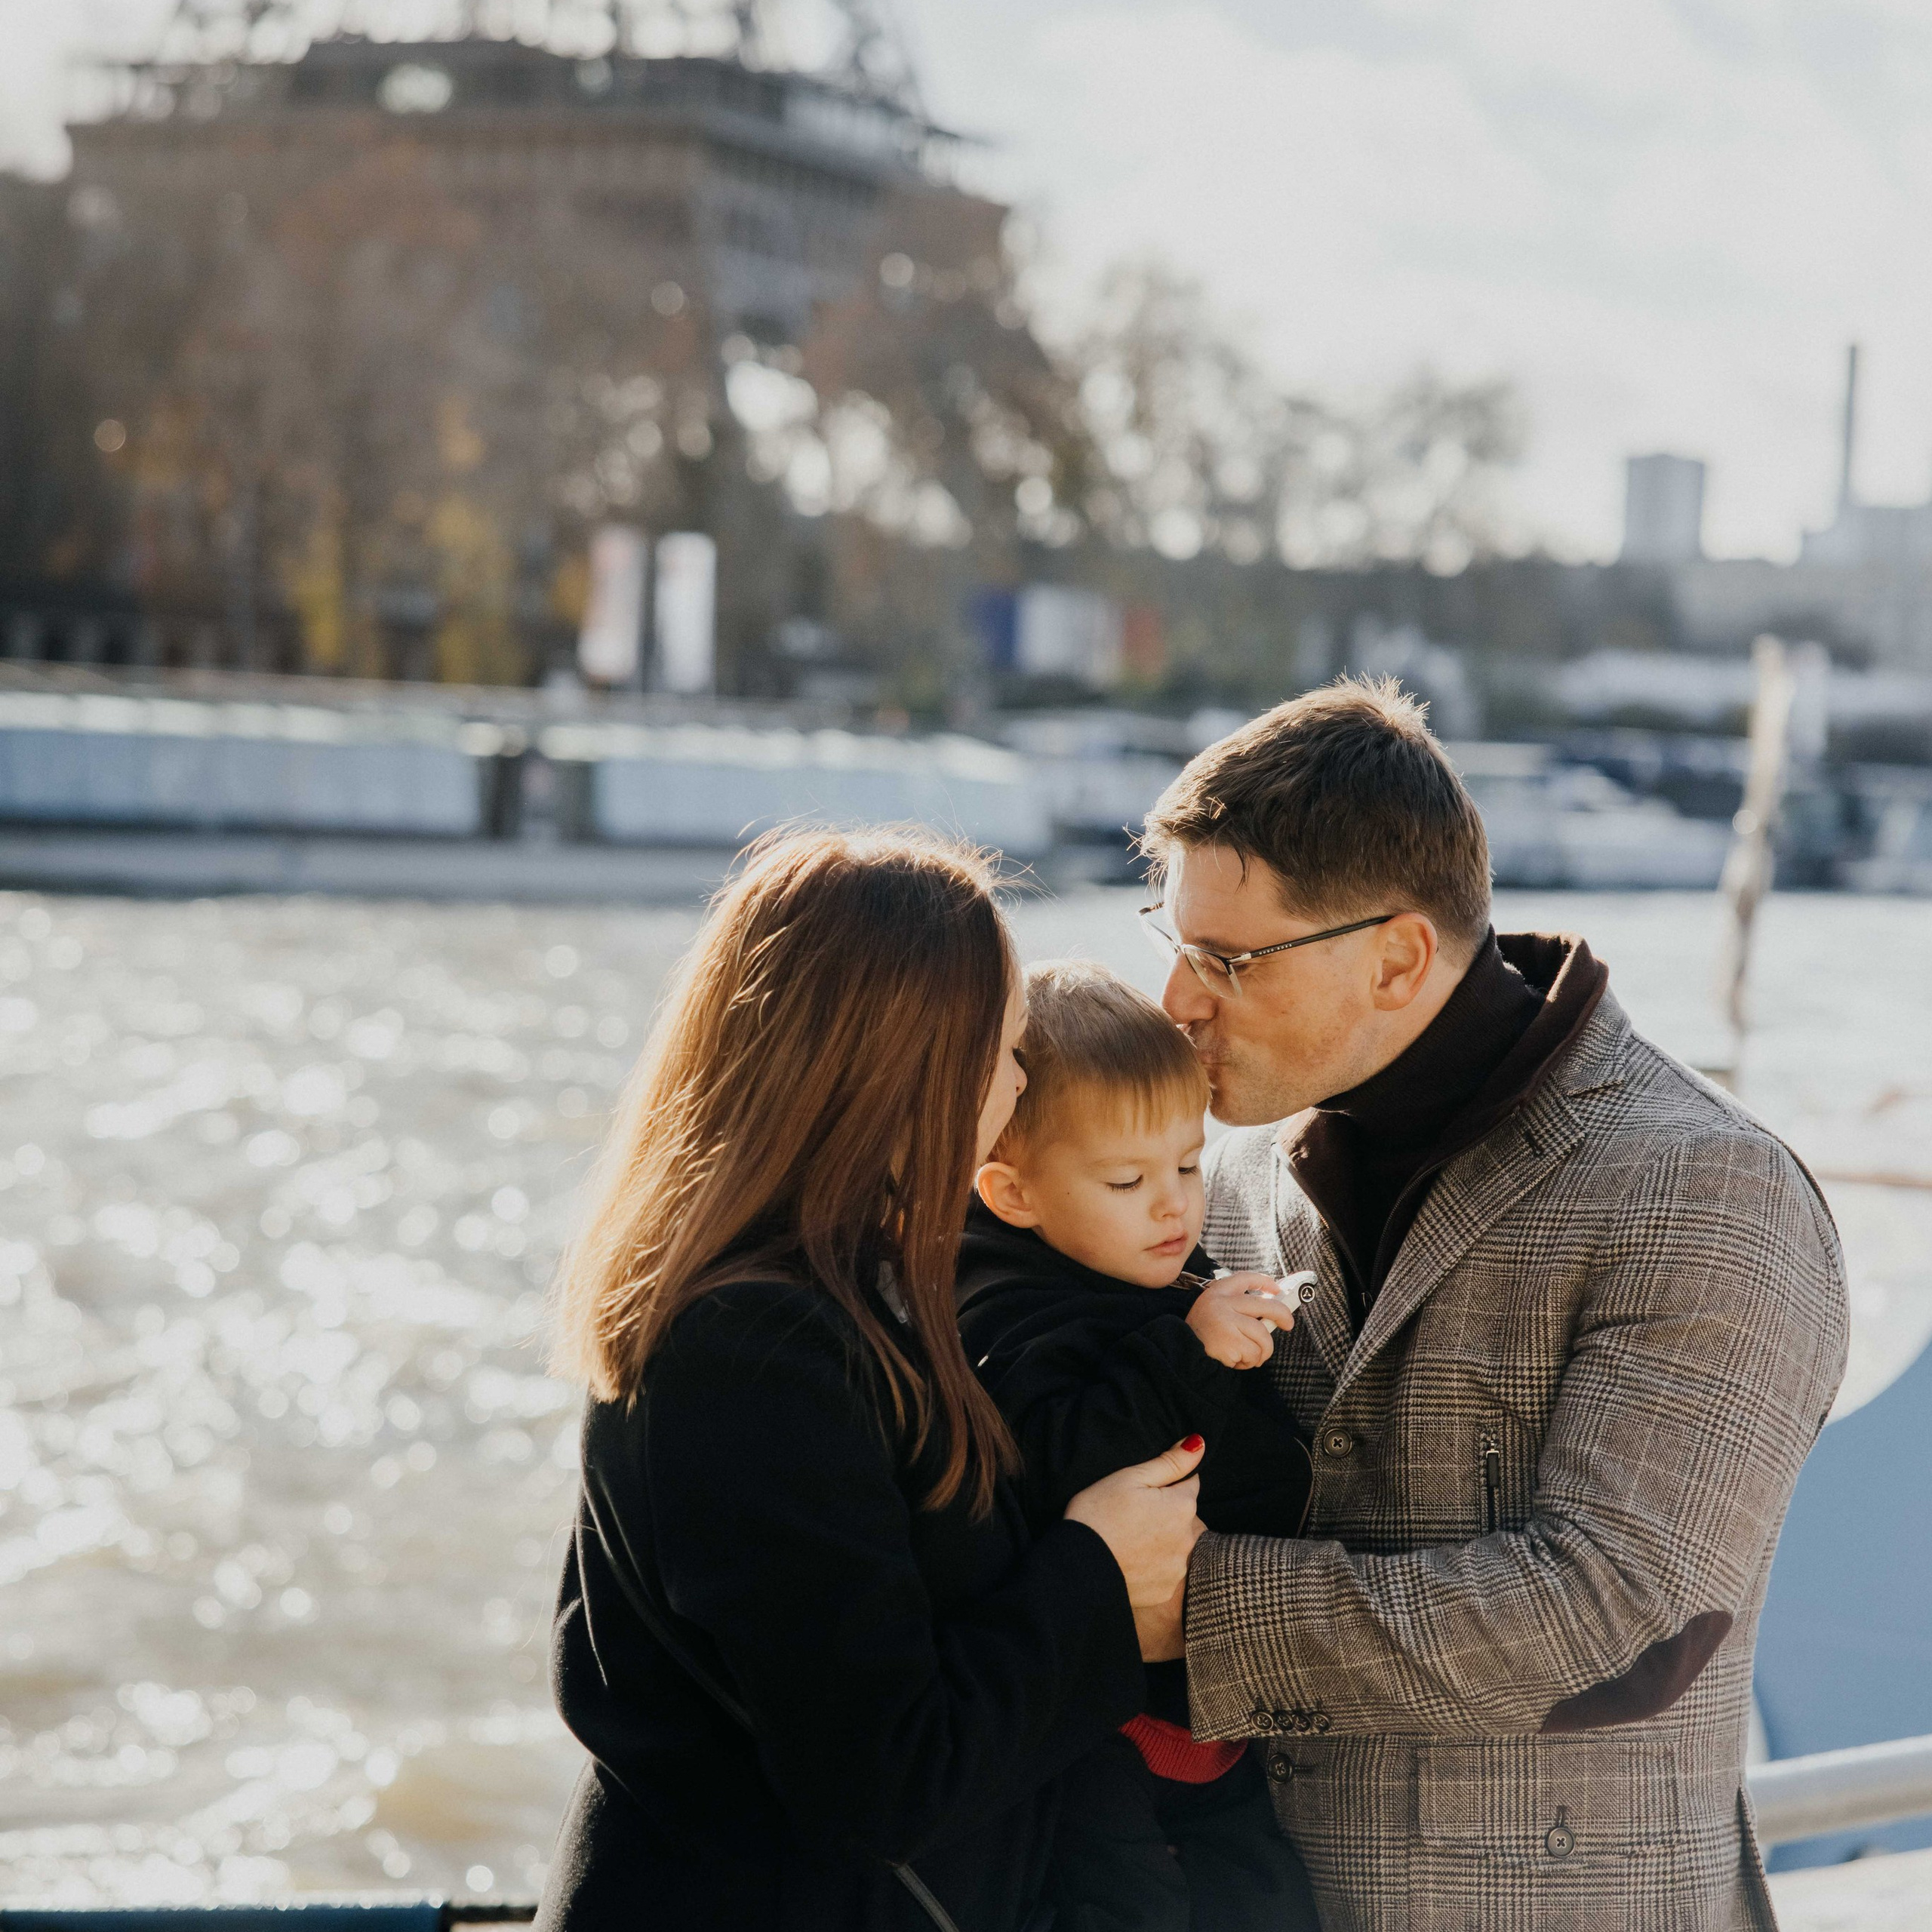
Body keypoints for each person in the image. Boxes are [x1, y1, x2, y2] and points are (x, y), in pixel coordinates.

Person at [1140, 678, 1849, 1932]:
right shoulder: (1220, 1173)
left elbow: (1617, 1618)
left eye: (1225, 961)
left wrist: (1182, 1610)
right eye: (1171, 942)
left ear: (1400, 958)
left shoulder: (1708, 1189)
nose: (1177, 1003)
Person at [537, 830, 1206, 1932]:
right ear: (909, 1072)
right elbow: (883, 1776)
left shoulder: (814, 1297)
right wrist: (1098, 1567)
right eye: (1006, 1051)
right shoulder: (755, 1354)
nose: (1023, 1083)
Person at [957, 960, 1319, 1932]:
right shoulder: (1002, 1304)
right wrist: (1185, 1348)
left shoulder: (1141, 1264)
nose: (1173, 1205)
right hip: (1098, 1741)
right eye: (1127, 1179)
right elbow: (1048, 1458)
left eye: (1189, 1165)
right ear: (1012, 1193)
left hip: (1209, 1726)